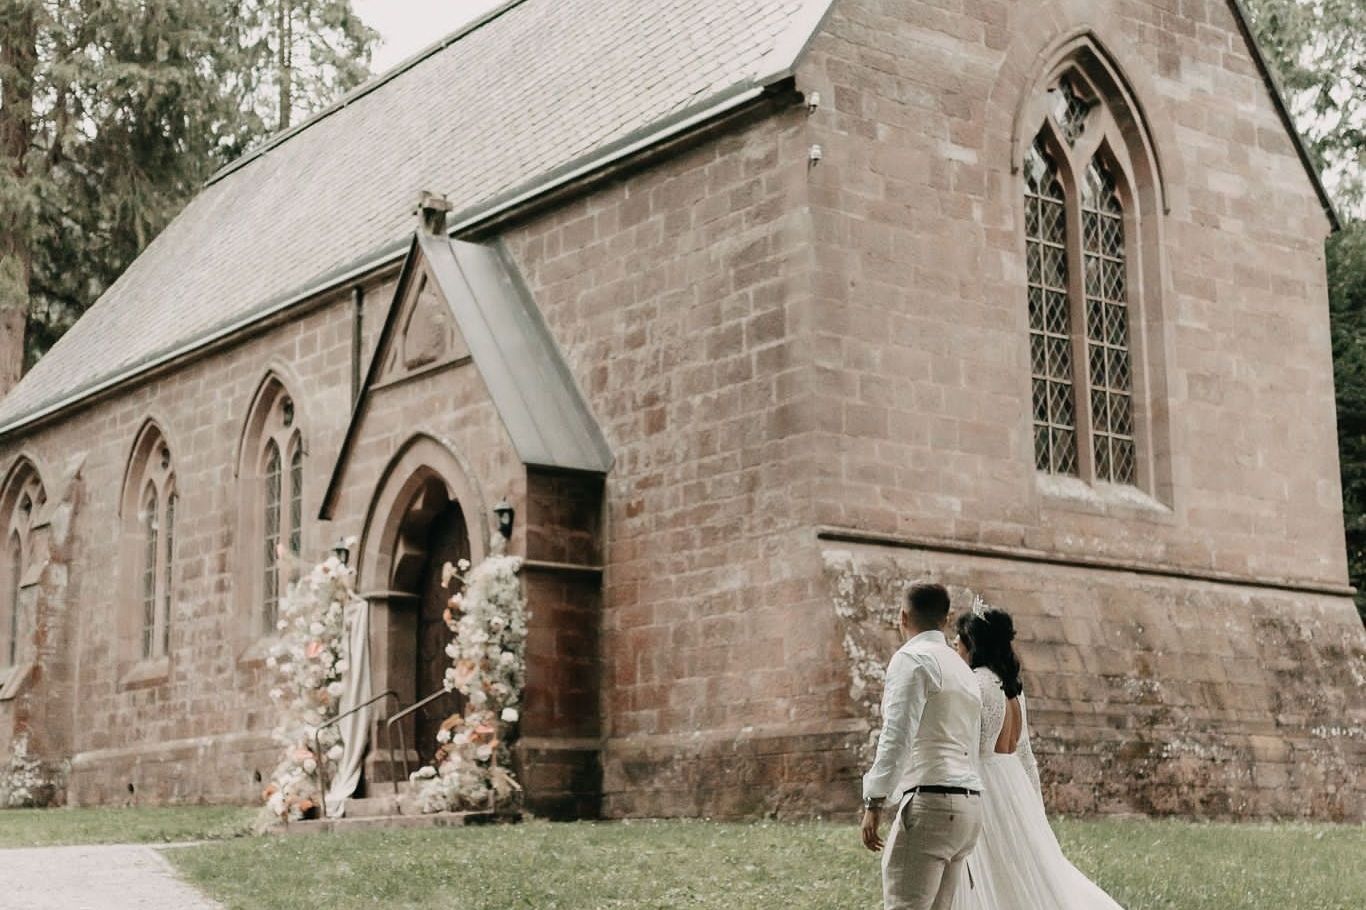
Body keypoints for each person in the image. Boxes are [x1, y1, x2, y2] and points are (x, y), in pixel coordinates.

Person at [950, 603, 1126, 910]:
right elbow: (1026, 753)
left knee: (995, 874)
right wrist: (1033, 808)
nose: (954, 647)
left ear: (971, 644)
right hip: (1013, 784)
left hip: (986, 787)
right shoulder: (1013, 689)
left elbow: (966, 747)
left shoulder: (975, 684)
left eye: (958, 640)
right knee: (1026, 869)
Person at [861, 582, 984, 910]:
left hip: (931, 801)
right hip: (969, 805)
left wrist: (875, 801)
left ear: (903, 616)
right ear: (947, 618)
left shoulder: (912, 659)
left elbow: (897, 736)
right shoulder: (963, 668)